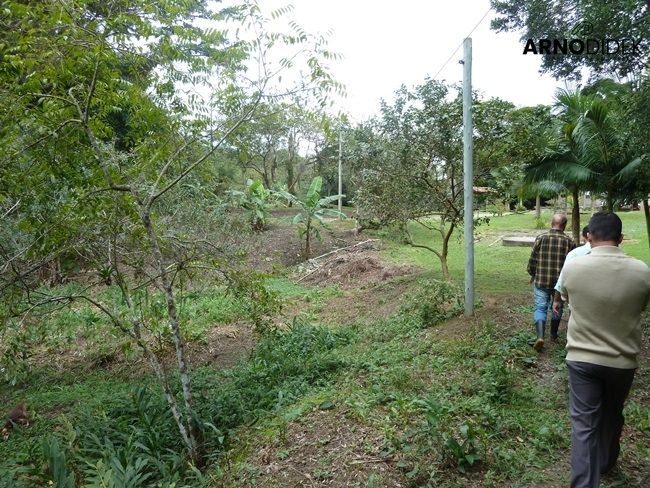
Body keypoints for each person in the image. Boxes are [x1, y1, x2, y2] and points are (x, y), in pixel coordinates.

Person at [553, 212, 650, 488]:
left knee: (584, 425)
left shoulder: (573, 268)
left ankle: (585, 483)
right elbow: (641, 307)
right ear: (620, 238)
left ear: (588, 236)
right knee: (612, 413)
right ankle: (607, 461)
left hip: (582, 358)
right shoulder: (642, 271)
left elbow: (570, 299)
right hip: (622, 362)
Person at [527, 213, 576, 351]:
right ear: (564, 225)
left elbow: (533, 259)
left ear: (551, 223)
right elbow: (573, 264)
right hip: (560, 284)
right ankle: (553, 334)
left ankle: (540, 336)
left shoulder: (541, 238)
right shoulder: (570, 242)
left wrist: (532, 273)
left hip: (542, 280)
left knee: (540, 307)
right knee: (557, 307)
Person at [551, 225, 592, 339]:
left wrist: (556, 300)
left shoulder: (575, 254)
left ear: (585, 236)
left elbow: (562, 279)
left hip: (577, 298)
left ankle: (574, 342)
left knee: (575, 321)